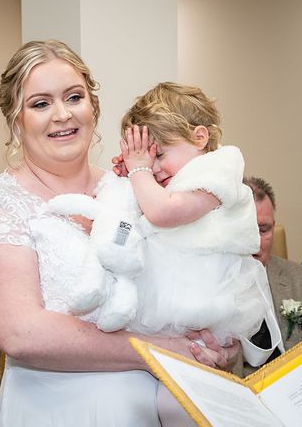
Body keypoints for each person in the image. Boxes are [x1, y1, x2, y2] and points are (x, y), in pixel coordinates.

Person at [0, 40, 239, 427]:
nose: (62, 115)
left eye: (74, 97)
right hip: (57, 408)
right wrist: (161, 350)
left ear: (92, 105)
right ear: (15, 119)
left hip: (157, 404)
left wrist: (207, 342)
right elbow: (21, 335)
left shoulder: (134, 189)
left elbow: (181, 279)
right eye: (41, 104)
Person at [117, 83, 278, 350]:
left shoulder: (218, 171)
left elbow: (162, 212)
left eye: (160, 155)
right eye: (147, 160)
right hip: (174, 297)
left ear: (200, 138)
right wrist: (129, 176)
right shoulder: (172, 181)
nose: (153, 169)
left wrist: (139, 171)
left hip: (205, 301)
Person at [235, 176, 302, 376]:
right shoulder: (205, 290)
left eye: (263, 230)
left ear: (274, 227)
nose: (255, 242)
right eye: (245, 230)